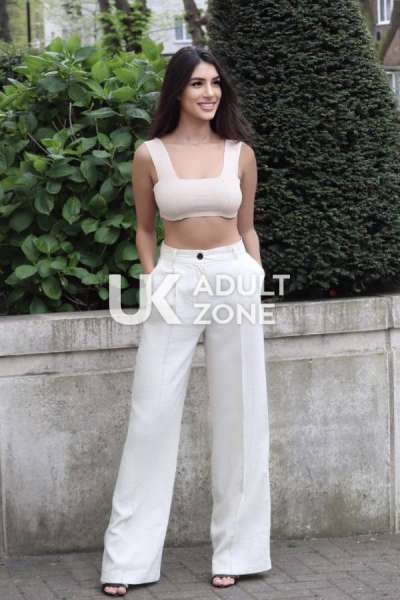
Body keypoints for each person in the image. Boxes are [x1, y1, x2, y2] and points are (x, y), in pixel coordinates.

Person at [100, 45, 272, 597]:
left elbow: (247, 225)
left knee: (241, 412)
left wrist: (255, 274)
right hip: (174, 279)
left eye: (215, 83)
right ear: (177, 90)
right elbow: (144, 228)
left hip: (233, 278)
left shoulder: (239, 153)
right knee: (151, 414)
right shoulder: (150, 154)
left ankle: (239, 552)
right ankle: (127, 561)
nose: (209, 93)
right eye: (198, 83)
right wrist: (153, 280)